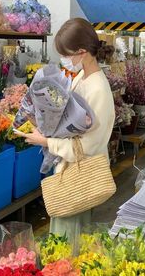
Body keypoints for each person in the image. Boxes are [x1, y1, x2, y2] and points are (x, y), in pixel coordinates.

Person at [23, 18, 115, 249]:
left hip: (80, 178)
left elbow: (87, 146)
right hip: (69, 170)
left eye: (66, 55)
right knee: (66, 237)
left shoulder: (98, 90)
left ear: (82, 52)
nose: (64, 60)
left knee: (69, 241)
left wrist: (46, 140)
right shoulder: (83, 78)